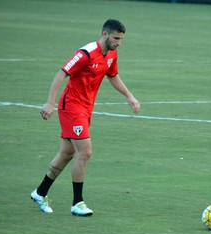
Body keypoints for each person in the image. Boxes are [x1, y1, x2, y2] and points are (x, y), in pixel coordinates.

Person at [30, 19, 140, 216]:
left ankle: (40, 192)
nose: (119, 43)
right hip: (72, 107)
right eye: (116, 38)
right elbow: (61, 73)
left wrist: (129, 96)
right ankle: (77, 203)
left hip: (86, 108)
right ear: (105, 34)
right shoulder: (86, 53)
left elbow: (112, 75)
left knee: (67, 153)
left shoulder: (112, 54)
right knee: (85, 152)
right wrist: (50, 103)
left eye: (121, 39)